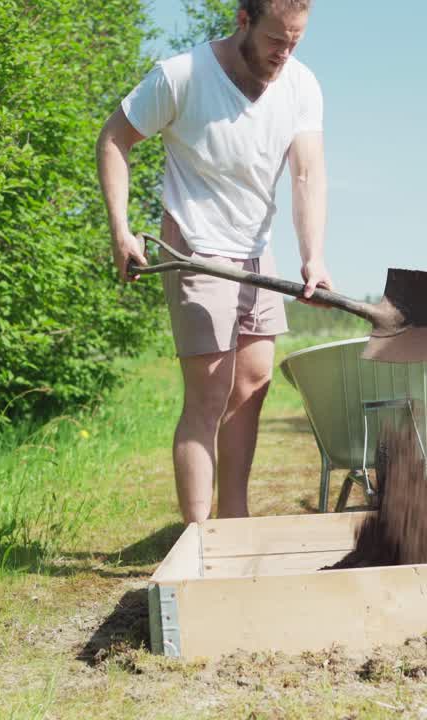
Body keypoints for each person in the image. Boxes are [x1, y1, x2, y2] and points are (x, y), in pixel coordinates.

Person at [95, 0, 329, 523]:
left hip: (256, 250)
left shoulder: (301, 85)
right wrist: (120, 230)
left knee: (252, 386)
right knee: (210, 393)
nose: (285, 53)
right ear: (243, 21)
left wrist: (313, 256)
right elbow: (113, 139)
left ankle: (234, 521)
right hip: (195, 245)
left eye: (296, 41)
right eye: (276, 40)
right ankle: (198, 541)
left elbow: (307, 175)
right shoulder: (181, 76)